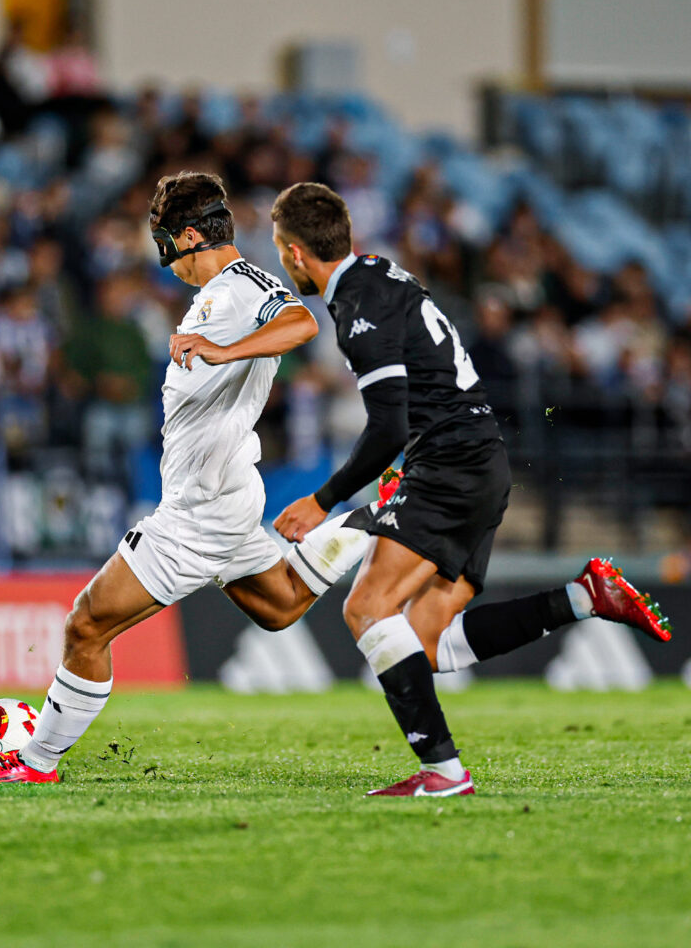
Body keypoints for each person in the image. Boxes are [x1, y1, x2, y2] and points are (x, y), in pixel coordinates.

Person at [0, 172, 391, 785]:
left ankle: (34, 762)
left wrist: (223, 352)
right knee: (282, 605)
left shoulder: (240, 287)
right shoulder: (220, 293)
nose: (165, 263)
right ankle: (371, 521)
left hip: (199, 510)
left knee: (86, 624)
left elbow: (302, 323)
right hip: (226, 491)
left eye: (165, 246)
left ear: (188, 235)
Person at [268, 182, 672, 798]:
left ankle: (445, 772)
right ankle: (584, 598)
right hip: (480, 460)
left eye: (278, 249)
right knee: (425, 643)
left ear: (296, 253)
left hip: (450, 464)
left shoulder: (354, 305)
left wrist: (322, 501)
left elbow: (388, 424)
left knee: (366, 607)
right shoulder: (383, 272)